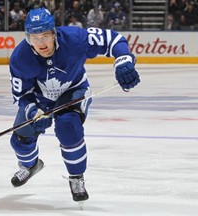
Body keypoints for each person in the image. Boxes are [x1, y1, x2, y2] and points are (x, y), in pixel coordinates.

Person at [9, 7, 140, 202]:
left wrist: (123, 60)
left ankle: (76, 177)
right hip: (40, 98)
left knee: (68, 126)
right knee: (20, 140)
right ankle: (30, 166)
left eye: (45, 35)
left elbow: (114, 40)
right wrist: (33, 111)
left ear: (54, 32)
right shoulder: (20, 58)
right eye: (34, 38)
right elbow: (23, 94)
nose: (41, 43)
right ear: (28, 38)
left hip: (73, 91)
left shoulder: (75, 38)